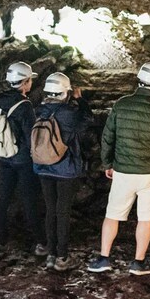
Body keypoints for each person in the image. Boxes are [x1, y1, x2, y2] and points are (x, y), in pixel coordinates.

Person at [87, 62, 150, 276]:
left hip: (123, 172)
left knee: (112, 215)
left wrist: (107, 164)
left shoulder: (122, 105)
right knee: (145, 219)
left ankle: (103, 258)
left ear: (139, 81)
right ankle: (138, 263)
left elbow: (108, 138)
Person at [32, 72, 91, 272]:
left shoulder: (38, 110)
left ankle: (50, 254)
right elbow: (87, 121)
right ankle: (62, 257)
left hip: (42, 168)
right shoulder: (68, 113)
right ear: (64, 92)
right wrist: (80, 100)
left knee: (50, 210)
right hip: (65, 170)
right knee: (62, 212)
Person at [0, 61, 47, 257]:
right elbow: (30, 135)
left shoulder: (0, 100)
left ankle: (0, 243)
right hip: (23, 159)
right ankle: (41, 242)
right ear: (24, 82)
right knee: (29, 201)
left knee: (3, 199)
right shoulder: (25, 106)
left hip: (4, 156)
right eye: (29, 80)